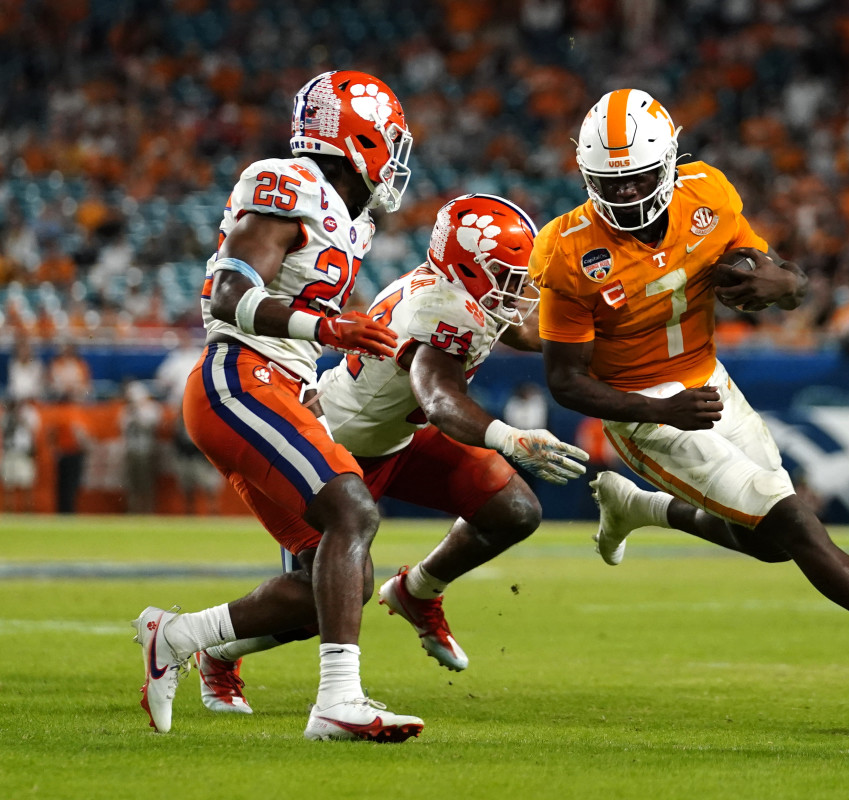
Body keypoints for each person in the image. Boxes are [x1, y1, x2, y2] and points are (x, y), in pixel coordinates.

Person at [530, 89, 849, 691]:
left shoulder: (708, 197)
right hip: (644, 410)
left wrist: (780, 281)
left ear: (668, 164)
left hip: (708, 383)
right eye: (611, 184)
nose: (627, 196)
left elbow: (792, 284)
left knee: (771, 543)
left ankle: (639, 507)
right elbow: (565, 382)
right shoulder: (567, 250)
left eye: (638, 180)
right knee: (794, 522)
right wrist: (658, 408)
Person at [186, 195, 587, 714]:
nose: (520, 288)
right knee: (320, 601)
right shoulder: (439, 308)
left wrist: (601, 324)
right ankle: (217, 651)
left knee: (513, 510)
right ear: (469, 269)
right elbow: (441, 401)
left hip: (397, 436)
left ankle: (417, 590)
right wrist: (510, 438)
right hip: (335, 446)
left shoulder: (466, 289)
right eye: (508, 275)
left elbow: (528, 329)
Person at [132, 70, 424, 742]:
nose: (395, 159)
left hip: (281, 386)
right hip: (238, 377)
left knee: (332, 581)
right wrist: (327, 328)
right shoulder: (287, 181)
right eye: (388, 141)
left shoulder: (351, 219)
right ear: (359, 139)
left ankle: (175, 637)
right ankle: (336, 704)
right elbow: (227, 291)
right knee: (353, 508)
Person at [120, 381, 163, 514]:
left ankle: (147, 509)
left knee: (147, 482)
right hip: (131, 450)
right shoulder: (127, 410)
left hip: (147, 450)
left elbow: (150, 425)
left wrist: (137, 413)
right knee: (132, 482)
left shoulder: (152, 408)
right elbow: (122, 427)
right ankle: (134, 509)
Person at [1, 397, 40, 512]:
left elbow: (34, 431)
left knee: (26, 483)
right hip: (10, 451)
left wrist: (22, 419)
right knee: (9, 484)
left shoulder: (30, 414)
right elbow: (5, 431)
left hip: (24, 452)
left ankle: (28, 509)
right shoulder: (7, 415)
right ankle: (9, 509)